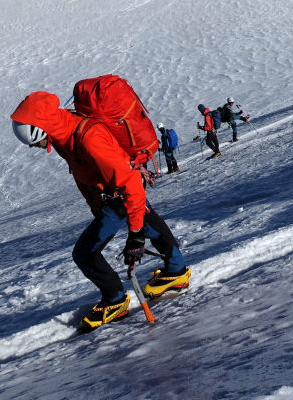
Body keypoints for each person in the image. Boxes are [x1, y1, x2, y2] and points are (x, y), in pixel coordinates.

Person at [10, 90, 191, 331]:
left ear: (41, 129)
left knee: (85, 253)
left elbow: (129, 183)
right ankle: (176, 270)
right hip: (112, 199)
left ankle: (115, 300)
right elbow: (85, 175)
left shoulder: (88, 137)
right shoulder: (64, 134)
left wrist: (135, 234)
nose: (33, 147)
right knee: (150, 225)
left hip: (121, 198)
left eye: (32, 141)